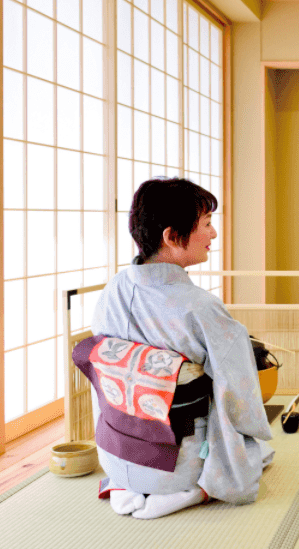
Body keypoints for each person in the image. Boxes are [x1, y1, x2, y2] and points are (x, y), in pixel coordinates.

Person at [90, 178, 274, 519]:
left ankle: (125, 484)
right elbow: (239, 397)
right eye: (206, 224)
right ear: (173, 237)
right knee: (257, 452)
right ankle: (196, 490)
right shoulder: (200, 307)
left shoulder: (111, 291)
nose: (213, 234)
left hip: (117, 450)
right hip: (177, 461)